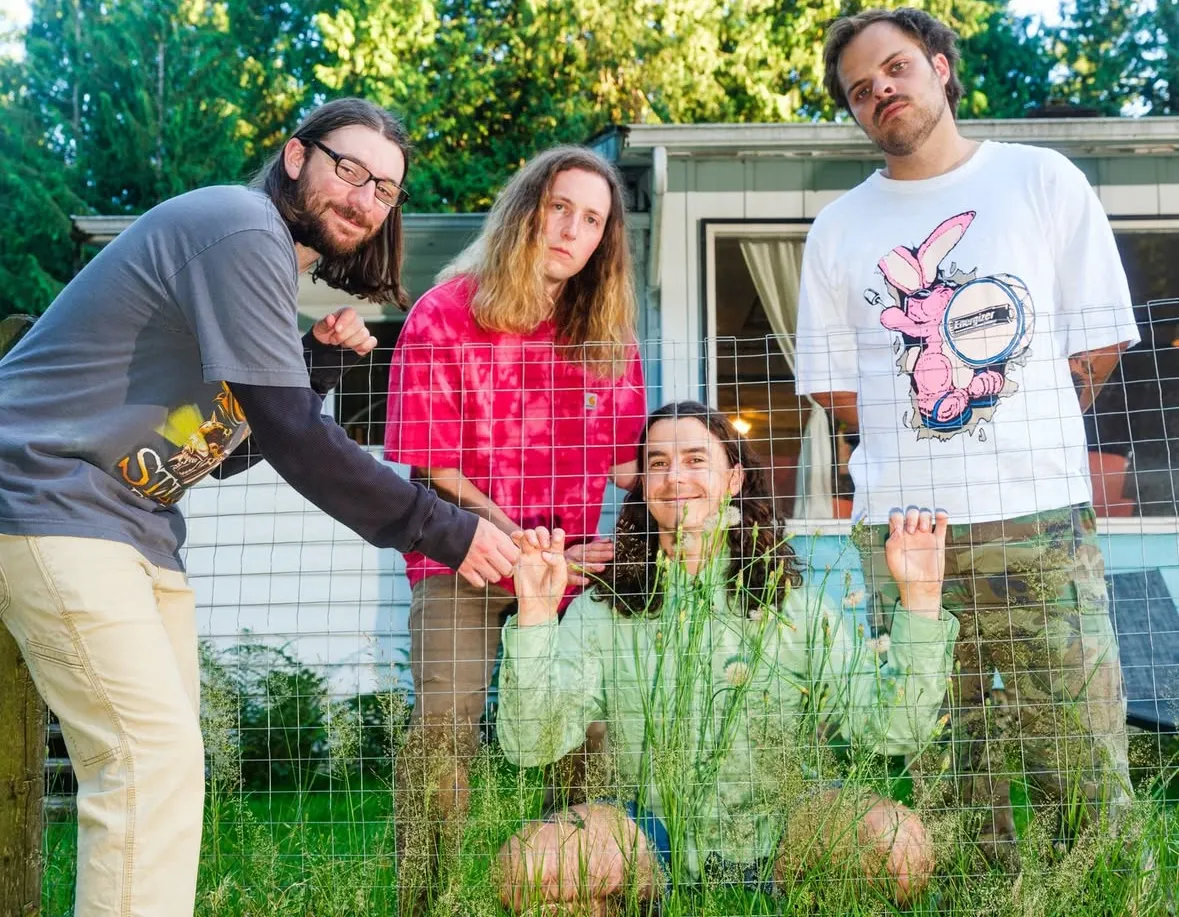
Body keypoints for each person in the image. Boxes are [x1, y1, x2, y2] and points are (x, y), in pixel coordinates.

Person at [0, 98, 518, 916]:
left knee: (165, 773)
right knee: (146, 761)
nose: (363, 198)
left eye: (383, 189)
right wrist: (444, 528)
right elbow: (294, 439)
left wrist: (314, 365)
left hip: (135, 526)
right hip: (49, 495)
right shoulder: (240, 226)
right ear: (295, 156)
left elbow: (220, 449)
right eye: (348, 169)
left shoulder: (266, 266)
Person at [795, 7, 1139, 865]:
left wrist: (1018, 422)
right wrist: (927, 428)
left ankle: (1098, 891)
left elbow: (1096, 341)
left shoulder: (1039, 179)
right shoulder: (838, 227)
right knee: (941, 755)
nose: (880, 91)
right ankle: (972, 893)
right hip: (905, 534)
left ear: (940, 67)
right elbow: (832, 384)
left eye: (895, 67)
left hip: (1039, 516)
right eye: (859, 89)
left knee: (1076, 741)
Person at [495, 401, 958, 912]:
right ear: (644, 486)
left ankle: (799, 896)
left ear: (734, 479)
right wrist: (536, 615)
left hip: (785, 827)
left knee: (898, 845)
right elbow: (532, 744)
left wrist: (920, 604)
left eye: (695, 460)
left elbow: (890, 731)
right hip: (650, 833)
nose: (675, 477)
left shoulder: (794, 604)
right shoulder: (605, 608)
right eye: (658, 463)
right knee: (529, 868)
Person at [383, 145, 647, 908]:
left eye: (591, 220)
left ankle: (576, 886)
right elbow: (433, 465)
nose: (570, 230)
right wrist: (518, 538)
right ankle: (425, 898)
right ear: (525, 212)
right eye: (559, 208)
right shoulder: (444, 314)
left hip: (564, 571)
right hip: (459, 557)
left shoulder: (605, 334)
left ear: (603, 240)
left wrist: (710, 478)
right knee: (444, 729)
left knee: (587, 733)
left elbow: (628, 469)